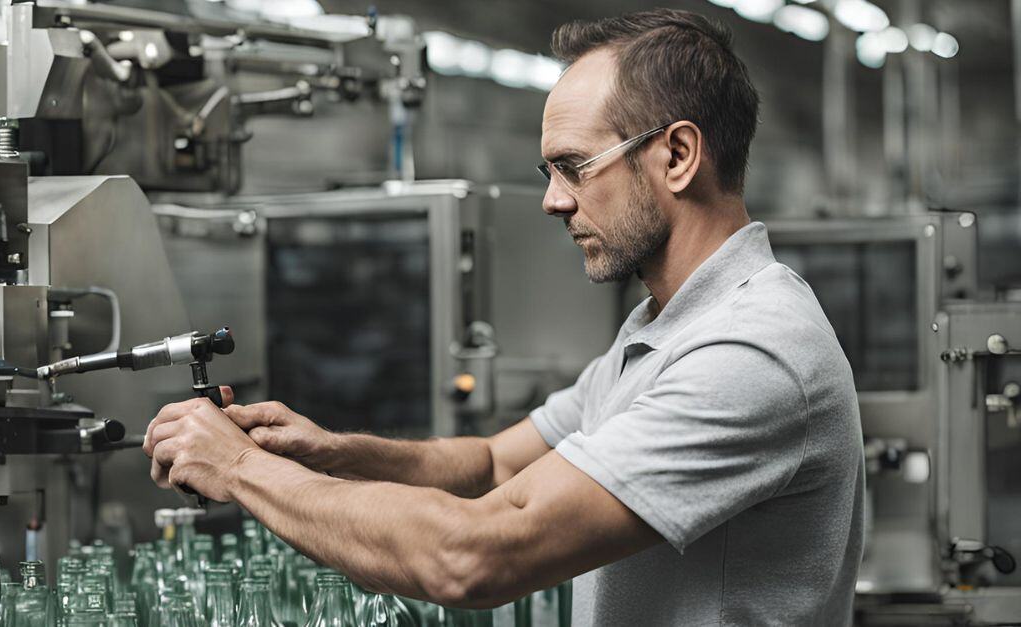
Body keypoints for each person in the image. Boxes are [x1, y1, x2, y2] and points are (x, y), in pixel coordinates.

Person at [144, 9, 864, 625]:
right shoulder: (662, 327)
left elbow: (477, 553)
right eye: (546, 174)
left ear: (676, 155)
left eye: (574, 167)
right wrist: (329, 453)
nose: (552, 200)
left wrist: (237, 468)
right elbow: (492, 464)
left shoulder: (751, 352)